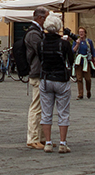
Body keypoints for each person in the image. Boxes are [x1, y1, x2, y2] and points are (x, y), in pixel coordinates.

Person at [37, 17, 74, 153]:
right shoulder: (64, 44)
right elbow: (71, 59)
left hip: (46, 79)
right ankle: (63, 143)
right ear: (58, 27)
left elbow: (40, 59)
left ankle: (48, 142)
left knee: (46, 113)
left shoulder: (40, 44)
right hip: (61, 79)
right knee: (63, 112)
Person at [23, 11, 47, 148]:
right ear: (40, 18)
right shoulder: (33, 34)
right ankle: (32, 138)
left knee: (43, 106)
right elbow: (41, 50)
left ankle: (42, 137)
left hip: (40, 72)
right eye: (46, 18)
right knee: (36, 107)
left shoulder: (38, 32)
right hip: (37, 72)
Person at [72, 27, 94, 100]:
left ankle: (88, 90)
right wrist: (77, 44)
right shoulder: (76, 41)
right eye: (79, 32)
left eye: (82, 32)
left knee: (88, 78)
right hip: (78, 62)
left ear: (85, 33)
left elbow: (92, 51)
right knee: (79, 78)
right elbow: (73, 51)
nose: (81, 33)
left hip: (86, 61)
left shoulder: (89, 42)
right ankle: (80, 93)